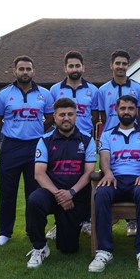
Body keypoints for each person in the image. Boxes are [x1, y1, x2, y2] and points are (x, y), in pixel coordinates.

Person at [25, 98, 97, 268]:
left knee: (68, 249)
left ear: (76, 116)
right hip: (51, 193)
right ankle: (39, 247)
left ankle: (64, 228)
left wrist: (70, 193)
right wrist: (60, 195)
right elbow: (39, 174)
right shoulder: (45, 140)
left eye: (70, 114)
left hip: (75, 195)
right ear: (55, 117)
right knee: (34, 200)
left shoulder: (87, 140)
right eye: (62, 114)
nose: (66, 118)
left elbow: (89, 172)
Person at [0, 56, 54, 247]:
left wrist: (37, 131)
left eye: (28, 69)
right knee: (7, 191)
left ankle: (32, 230)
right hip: (11, 147)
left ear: (33, 71)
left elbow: (50, 118)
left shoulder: (44, 94)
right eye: (21, 69)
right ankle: (5, 232)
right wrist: (12, 131)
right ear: (15, 71)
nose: (25, 72)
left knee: (34, 193)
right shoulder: (3, 94)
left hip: (35, 146)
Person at [88, 95, 140, 272]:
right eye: (123, 108)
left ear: (136, 111)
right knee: (101, 194)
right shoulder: (107, 135)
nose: (126, 112)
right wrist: (108, 173)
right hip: (114, 178)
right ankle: (104, 250)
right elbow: (104, 157)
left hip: (138, 179)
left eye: (130, 108)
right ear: (116, 110)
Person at [48, 50, 99, 238]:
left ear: (83, 67)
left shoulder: (93, 90)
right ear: (65, 68)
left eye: (78, 65)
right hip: (61, 140)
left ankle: (86, 220)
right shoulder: (54, 90)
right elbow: (51, 115)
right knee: (60, 177)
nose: (74, 69)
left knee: (86, 178)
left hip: (83, 140)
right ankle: (58, 222)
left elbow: (95, 115)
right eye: (71, 66)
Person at [97, 49, 140, 237]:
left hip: (133, 137)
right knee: (110, 179)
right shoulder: (102, 90)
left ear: (128, 65)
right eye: (117, 63)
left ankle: (133, 221)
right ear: (111, 65)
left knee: (136, 178)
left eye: (124, 63)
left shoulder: (138, 88)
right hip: (111, 141)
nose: (121, 66)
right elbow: (102, 117)